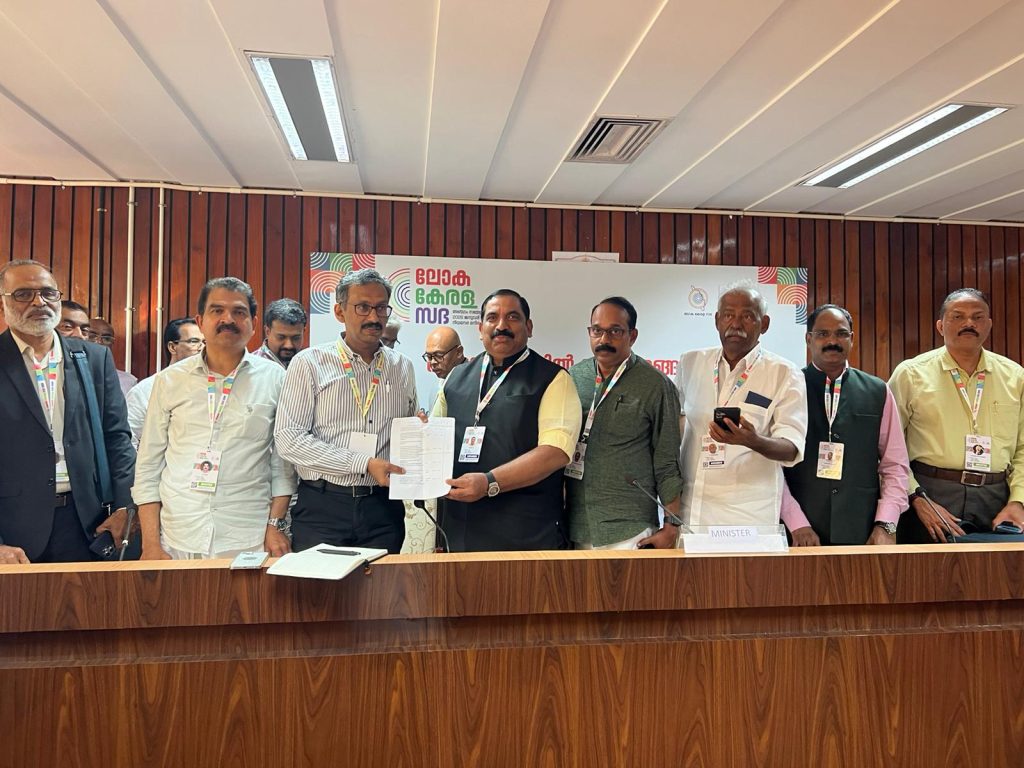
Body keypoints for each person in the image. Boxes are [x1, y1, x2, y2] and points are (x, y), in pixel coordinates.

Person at [132, 277, 295, 560]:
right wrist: (150, 543)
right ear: (201, 321)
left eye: (239, 312)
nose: (227, 319)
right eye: (217, 310)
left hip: (249, 533)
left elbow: (282, 465)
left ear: (254, 324)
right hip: (179, 534)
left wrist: (275, 526)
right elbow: (149, 465)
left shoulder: (276, 379)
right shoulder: (169, 380)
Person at [0, 260, 135, 563]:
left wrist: (125, 507)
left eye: (48, 293)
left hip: (88, 523)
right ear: (2, 304)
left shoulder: (94, 358)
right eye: (23, 294)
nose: (39, 302)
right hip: (12, 528)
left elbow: (117, 439)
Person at [275, 269, 418, 553]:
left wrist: (419, 430)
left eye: (381, 308)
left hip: (382, 509)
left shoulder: (403, 367)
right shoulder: (309, 363)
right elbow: (289, 439)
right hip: (323, 506)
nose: (374, 317)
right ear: (340, 311)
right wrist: (363, 463)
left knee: (384, 583)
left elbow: (405, 433)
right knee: (318, 584)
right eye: (363, 307)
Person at [432, 289, 582, 551]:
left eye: (512, 317)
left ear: (529, 327)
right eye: (492, 318)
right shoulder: (456, 378)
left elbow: (555, 452)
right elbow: (434, 437)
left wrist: (489, 483)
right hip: (459, 531)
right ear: (480, 328)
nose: (501, 326)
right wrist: (419, 433)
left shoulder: (553, 379)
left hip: (525, 535)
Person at [889, 288, 1024, 542]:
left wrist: (1018, 500)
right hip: (931, 495)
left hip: (998, 499)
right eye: (958, 316)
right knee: (930, 568)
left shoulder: (1015, 377)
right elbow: (887, 448)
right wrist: (915, 497)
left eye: (978, 317)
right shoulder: (911, 374)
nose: (969, 323)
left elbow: (1022, 448)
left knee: (1000, 568)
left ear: (989, 325)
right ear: (940, 326)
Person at [676, 283, 807, 527]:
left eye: (747, 316)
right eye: (728, 315)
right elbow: (677, 422)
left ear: (764, 324)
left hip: (749, 515)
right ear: (717, 320)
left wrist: (753, 440)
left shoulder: (785, 374)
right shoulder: (691, 362)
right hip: (692, 508)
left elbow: (791, 448)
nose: (735, 324)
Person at [780, 304, 910, 545]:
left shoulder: (877, 391)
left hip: (863, 531)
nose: (832, 341)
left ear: (852, 339)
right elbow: (773, 469)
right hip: (797, 532)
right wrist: (796, 522)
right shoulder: (788, 389)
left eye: (841, 334)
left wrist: (886, 524)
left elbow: (895, 466)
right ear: (808, 339)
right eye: (822, 334)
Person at [566, 297, 684, 549]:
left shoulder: (655, 385)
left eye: (615, 331)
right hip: (577, 525)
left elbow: (667, 461)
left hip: (629, 528)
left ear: (633, 335)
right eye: (597, 330)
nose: (604, 339)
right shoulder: (574, 377)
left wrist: (672, 526)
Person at [125, 318, 205, 448]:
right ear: (172, 347)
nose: (202, 348)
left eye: (205, 342)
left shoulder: (211, 386)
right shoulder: (145, 390)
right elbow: (129, 439)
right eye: (194, 342)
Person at [87, 316, 137, 395]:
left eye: (106, 339)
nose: (99, 342)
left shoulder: (128, 381)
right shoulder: (68, 376)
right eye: (92, 336)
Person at [252, 298, 306, 369]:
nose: (289, 346)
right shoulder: (252, 368)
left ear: (303, 332)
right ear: (267, 331)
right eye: (281, 337)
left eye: (295, 338)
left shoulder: (310, 366)